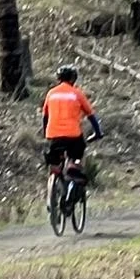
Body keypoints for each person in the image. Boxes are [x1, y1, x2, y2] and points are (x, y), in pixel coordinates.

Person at [41, 65, 102, 197]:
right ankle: (73, 167)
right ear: (73, 78)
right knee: (78, 152)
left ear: (58, 78)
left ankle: (55, 180)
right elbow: (91, 115)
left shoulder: (51, 93)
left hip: (53, 135)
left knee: (55, 160)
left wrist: (46, 133)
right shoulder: (76, 93)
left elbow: (45, 116)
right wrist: (97, 132)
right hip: (73, 135)